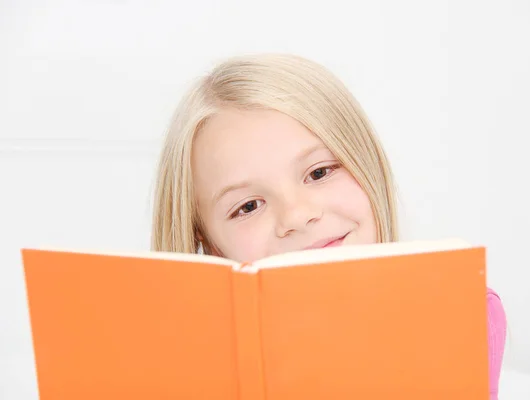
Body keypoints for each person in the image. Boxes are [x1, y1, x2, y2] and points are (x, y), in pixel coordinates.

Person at [151, 53, 506, 398]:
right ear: (210, 244)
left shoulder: (464, 317)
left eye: (319, 172)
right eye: (248, 206)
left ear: (366, 163)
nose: (297, 215)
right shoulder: (186, 365)